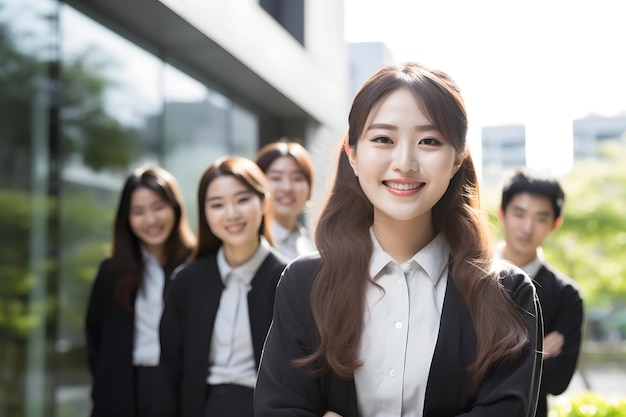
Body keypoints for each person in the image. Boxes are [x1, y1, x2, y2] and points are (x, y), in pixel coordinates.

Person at [254, 62, 543, 417]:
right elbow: (279, 408)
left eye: (429, 141)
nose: (404, 162)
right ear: (353, 154)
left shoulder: (507, 292)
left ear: (457, 160)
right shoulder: (304, 282)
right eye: (383, 139)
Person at [154, 156, 288, 417]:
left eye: (242, 200)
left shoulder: (290, 278)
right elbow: (168, 370)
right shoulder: (186, 281)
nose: (231, 214)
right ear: (205, 213)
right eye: (217, 204)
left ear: (263, 202)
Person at [85, 164, 196, 417]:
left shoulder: (195, 266)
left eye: (158, 207)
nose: (151, 220)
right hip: (122, 387)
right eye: (138, 212)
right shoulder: (111, 271)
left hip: (177, 388)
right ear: (127, 218)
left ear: (175, 208)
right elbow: (95, 338)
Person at [497, 170, 584, 417]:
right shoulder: (465, 274)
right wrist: (534, 353)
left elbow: (557, 382)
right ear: (502, 213)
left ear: (555, 224)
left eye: (540, 218)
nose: (527, 227)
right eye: (519, 213)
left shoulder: (566, 294)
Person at [255, 139, 316, 259]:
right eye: (276, 178)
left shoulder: (306, 244)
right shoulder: (252, 245)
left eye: (297, 178)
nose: (287, 187)